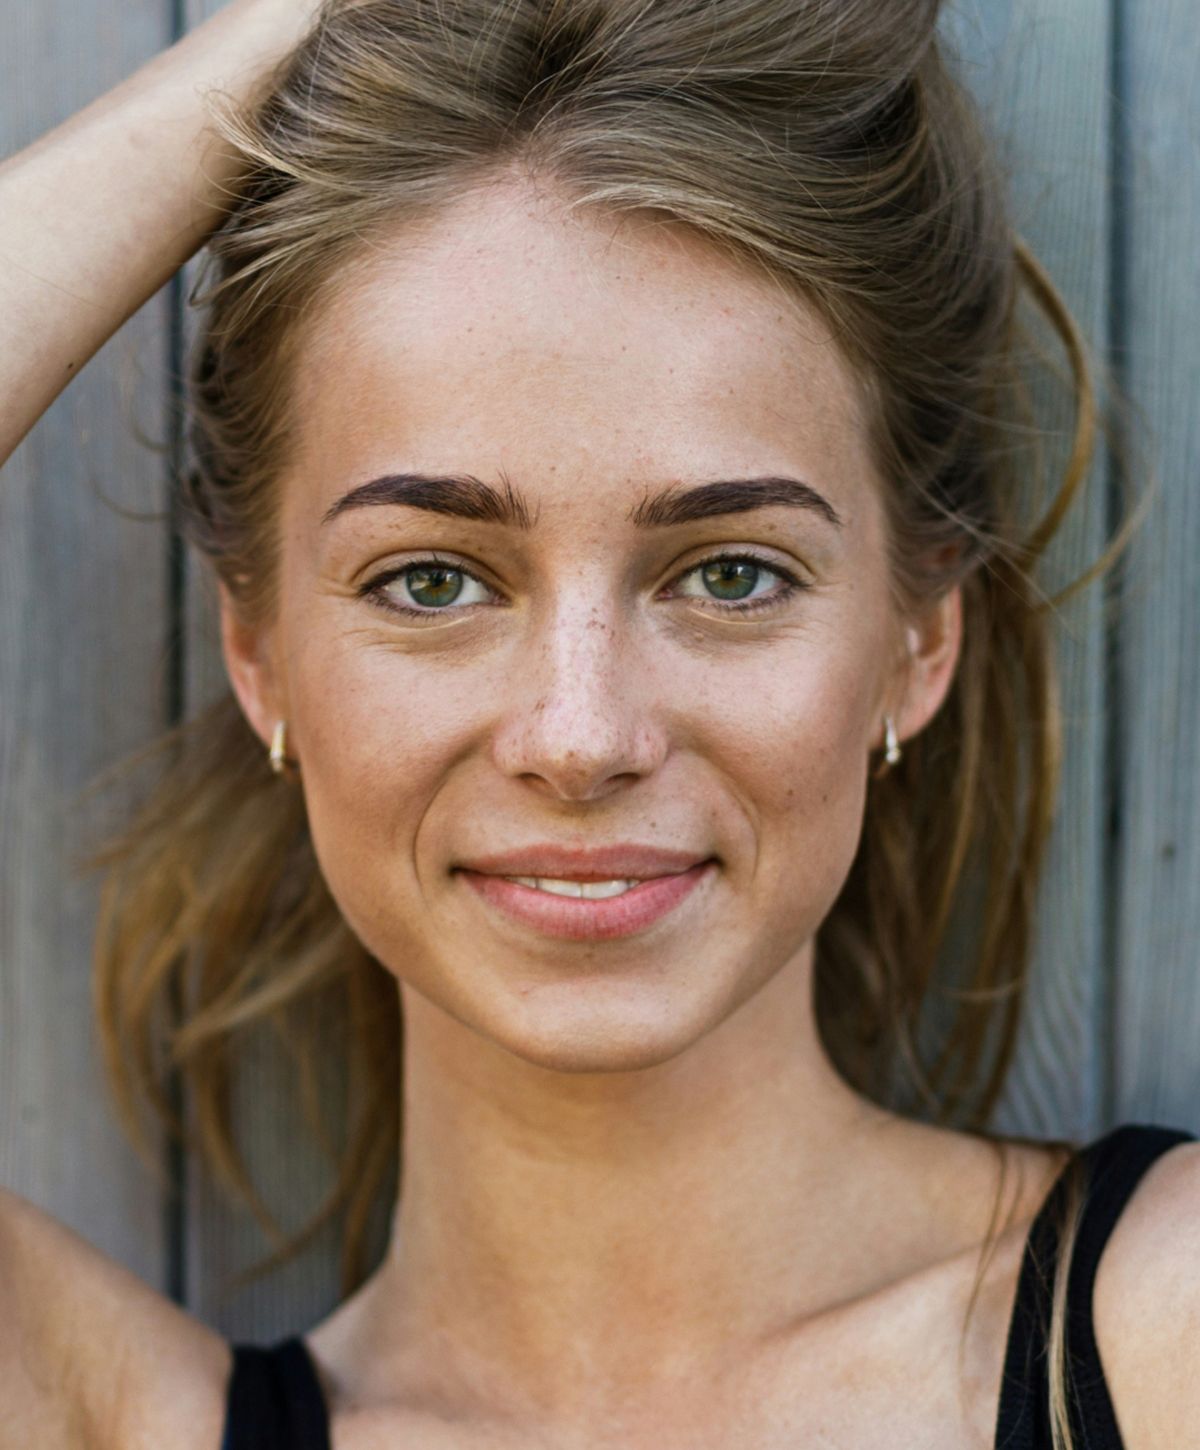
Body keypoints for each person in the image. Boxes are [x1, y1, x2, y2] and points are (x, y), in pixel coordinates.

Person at [1, 1, 1197, 1447]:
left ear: (918, 637)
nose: (580, 737)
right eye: (432, 580)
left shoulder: (1161, 1331)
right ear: (258, 655)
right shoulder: (106, 1420)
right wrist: (296, 30)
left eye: (731, 574)